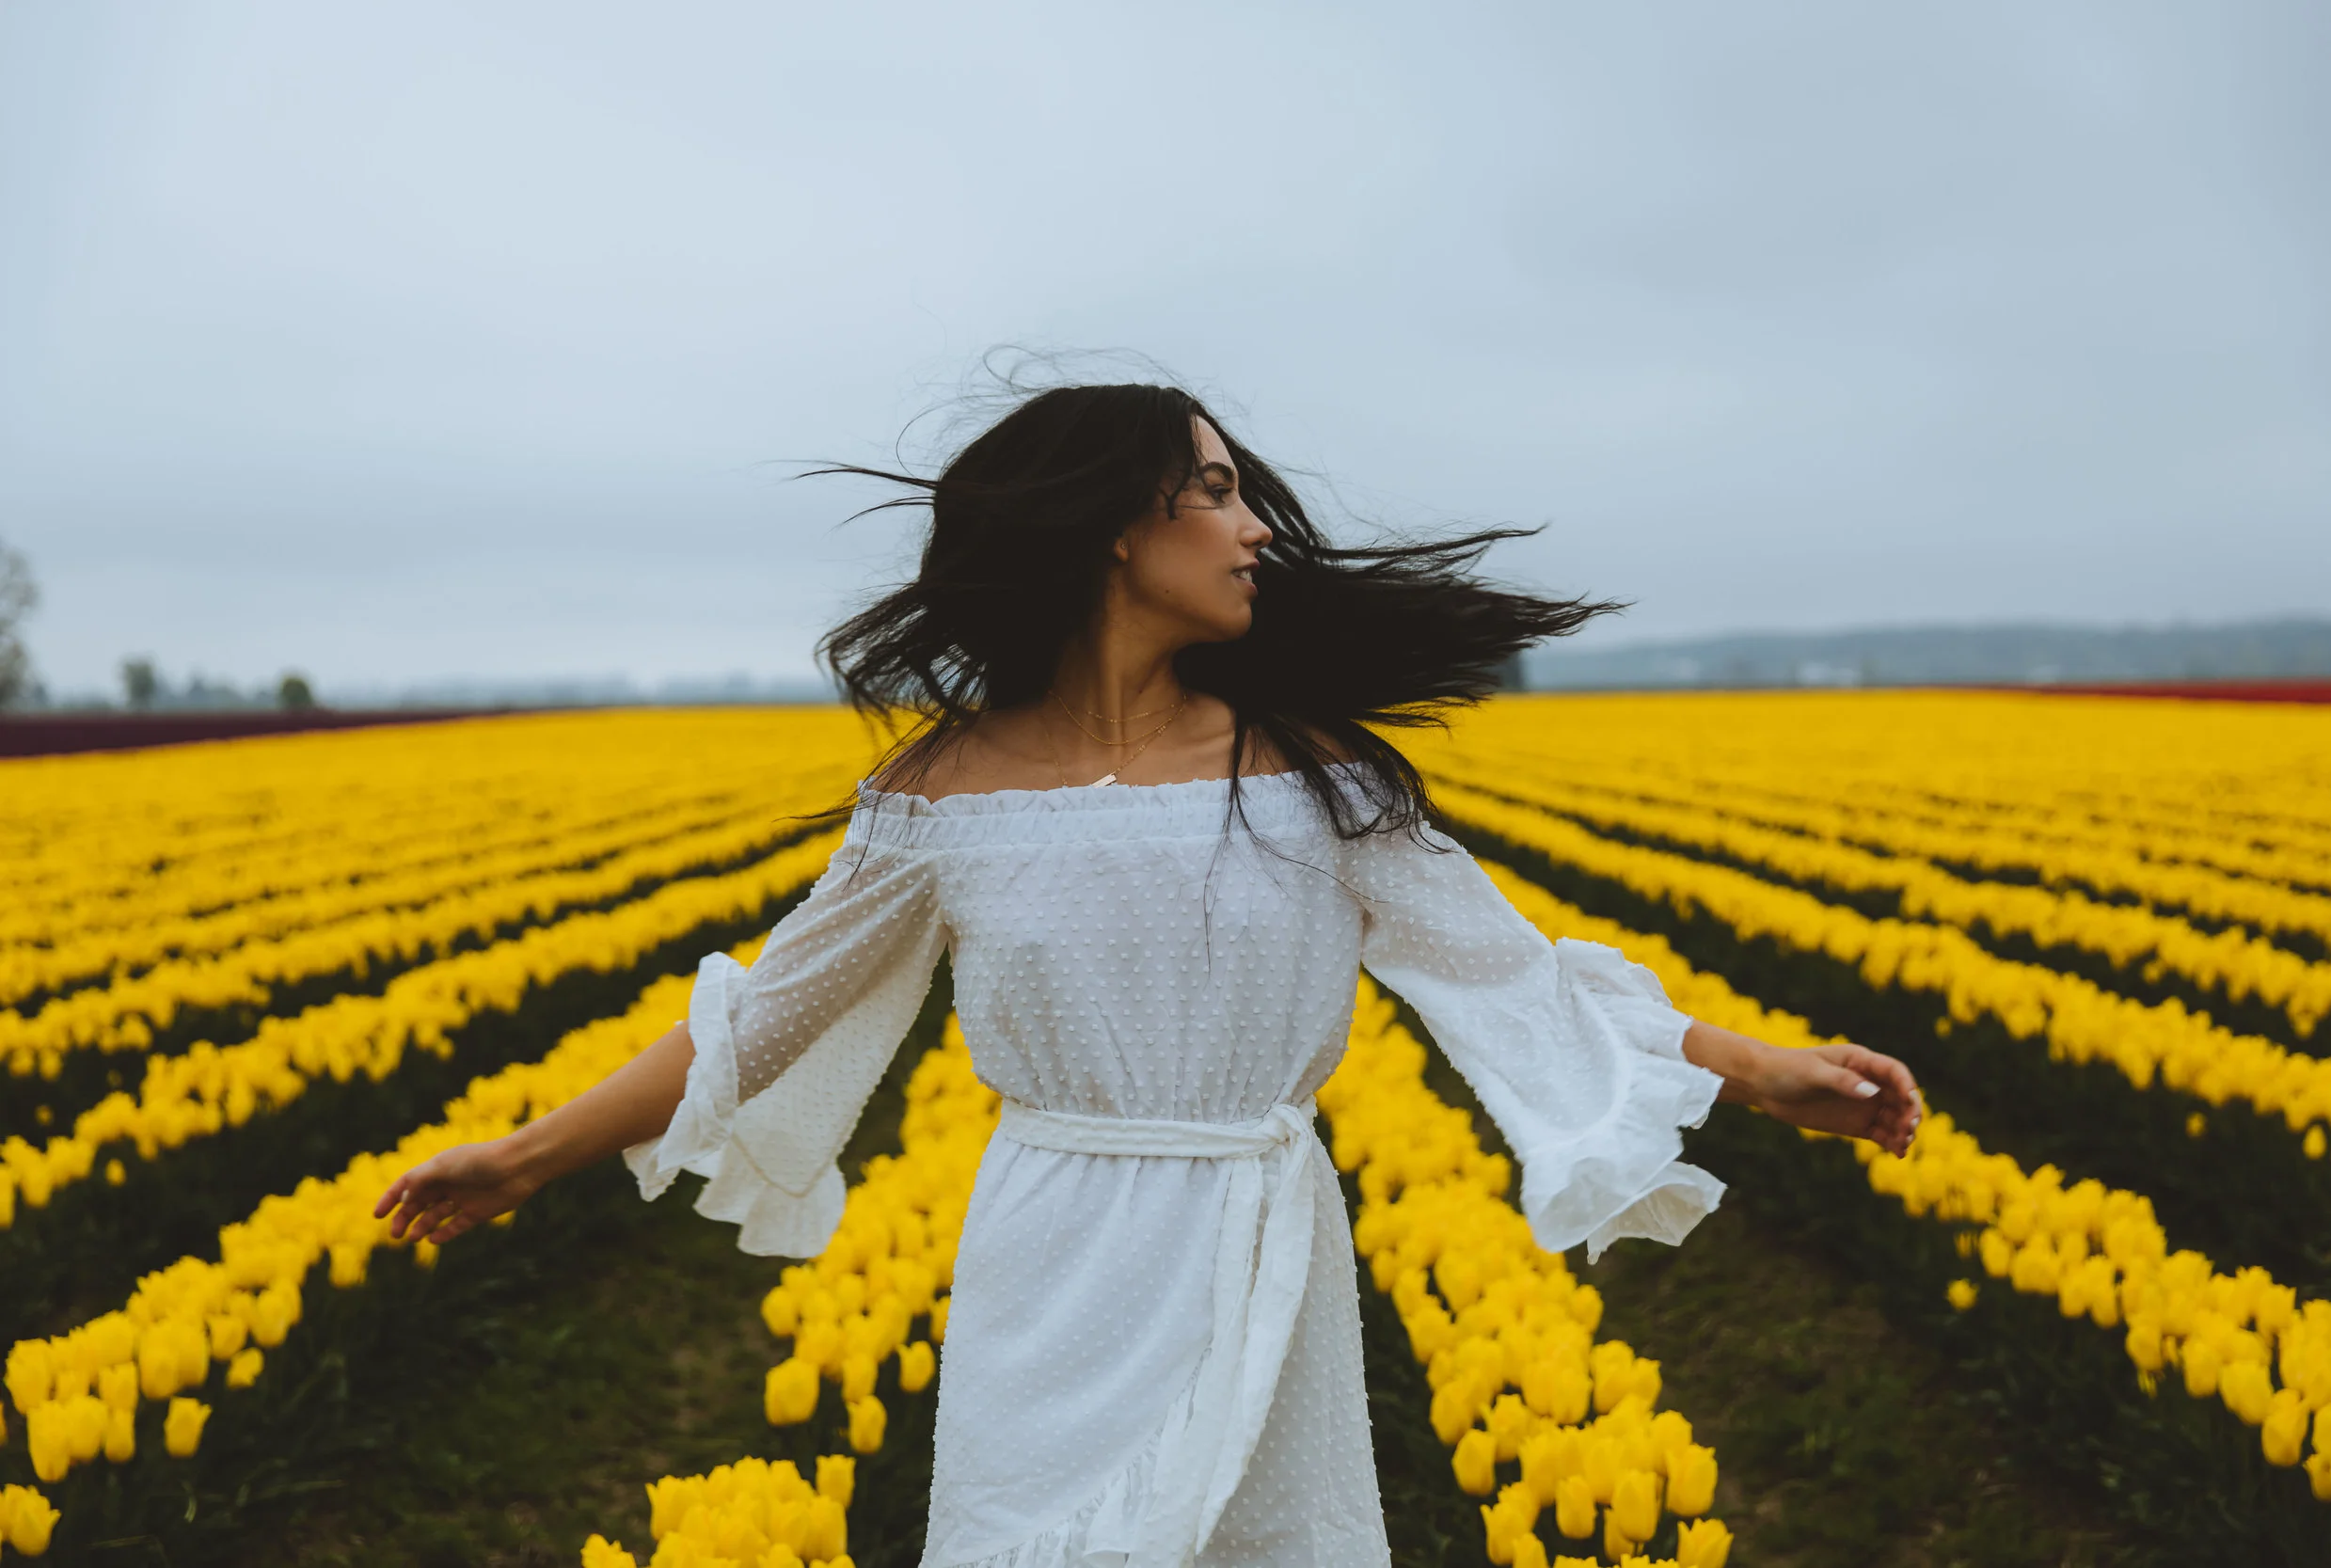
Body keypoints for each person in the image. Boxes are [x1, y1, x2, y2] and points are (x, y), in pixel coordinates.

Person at [374, 383, 1922, 1568]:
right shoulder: (940, 792)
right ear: (1119, 527)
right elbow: (767, 1013)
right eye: (1216, 492)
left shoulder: (1310, 770)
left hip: (1255, 1224)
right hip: (1048, 1252)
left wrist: (1759, 1066)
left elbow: (1510, 977)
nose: (1255, 528)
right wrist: (527, 1154)